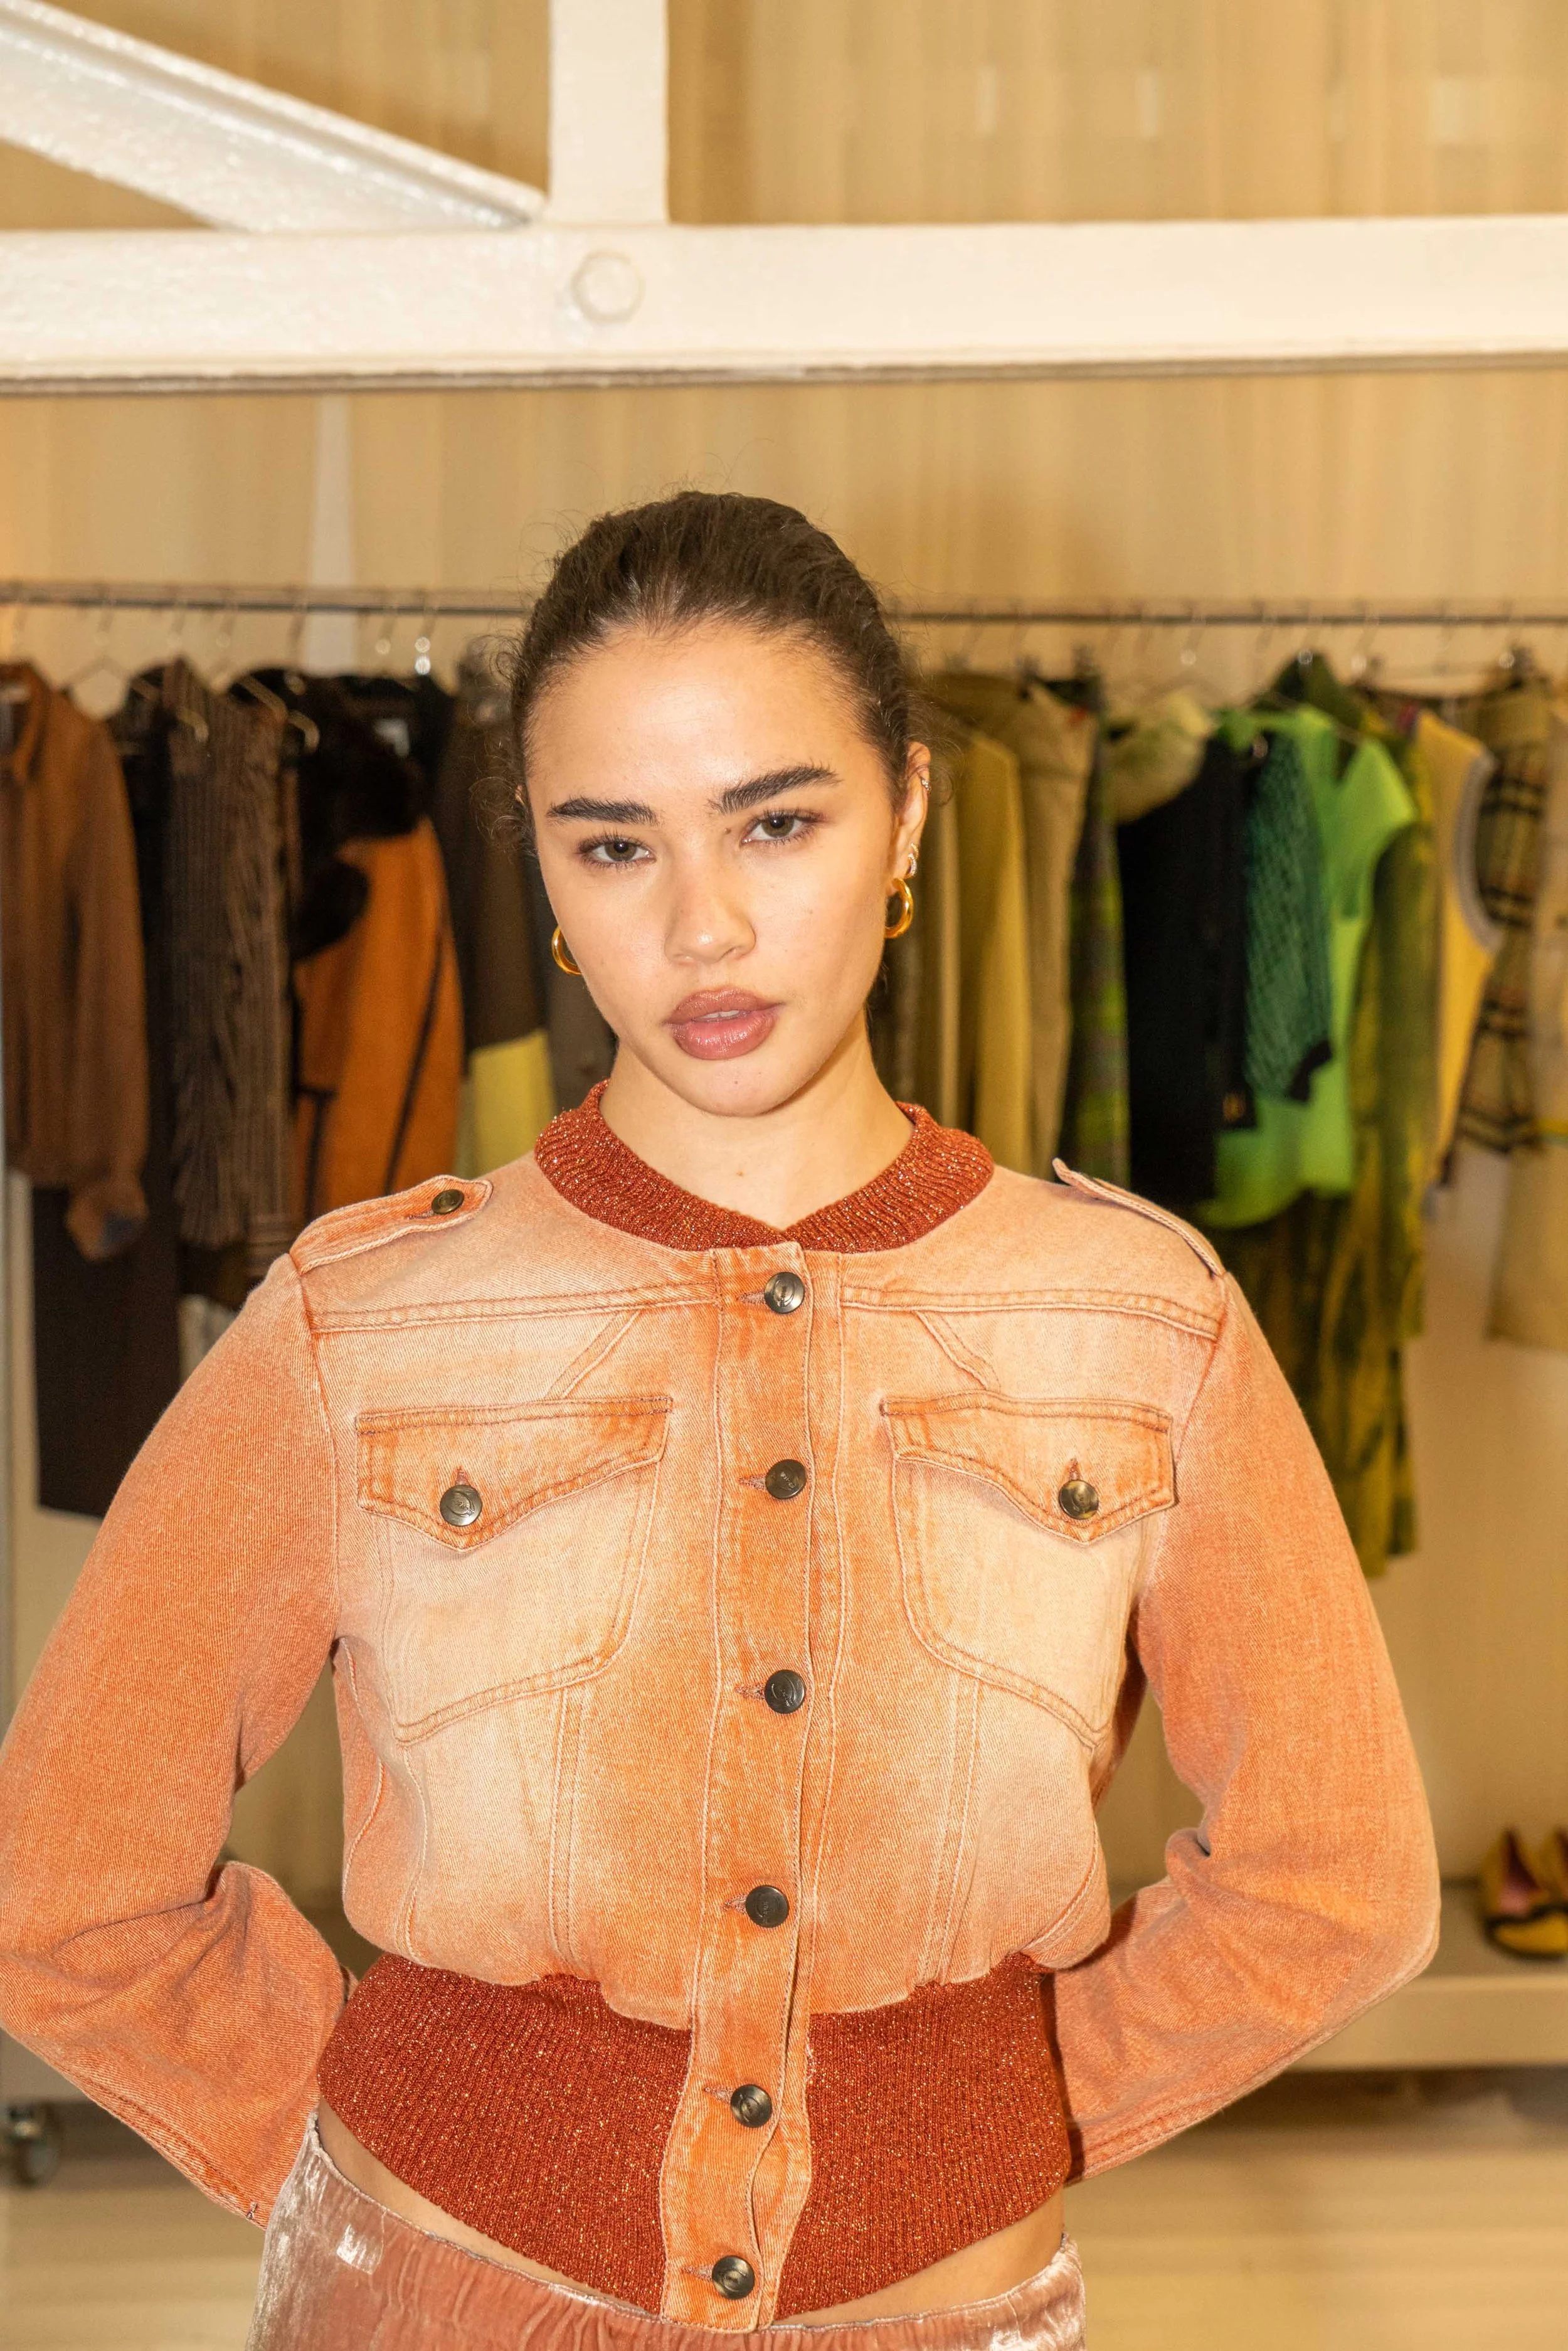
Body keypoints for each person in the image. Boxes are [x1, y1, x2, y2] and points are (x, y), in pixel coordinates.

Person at [0, 493, 1438, 2349]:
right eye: (616, 843)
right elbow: (66, 1875)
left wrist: (991, 2114)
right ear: (539, 863)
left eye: (776, 820)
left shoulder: (1140, 1319)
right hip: (437, 2295)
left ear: (907, 811)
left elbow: (1336, 1882)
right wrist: (383, 2150)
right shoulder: (359, 1322)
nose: (703, 922)